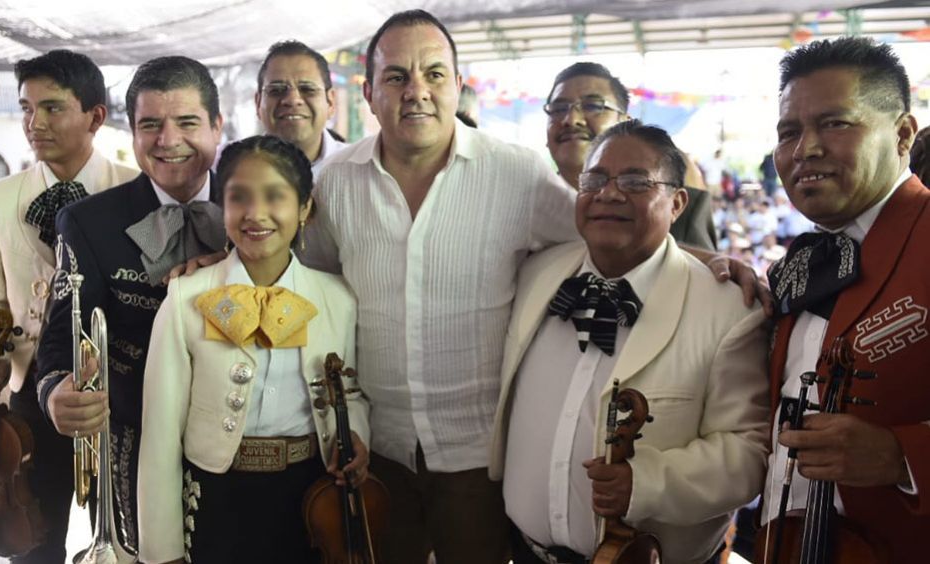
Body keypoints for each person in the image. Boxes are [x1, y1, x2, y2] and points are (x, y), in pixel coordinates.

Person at [301, 10, 766, 564]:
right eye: (397, 76)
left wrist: (708, 259)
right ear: (369, 92)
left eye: (434, 75)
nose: (416, 92)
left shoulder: (516, 174)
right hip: (378, 452)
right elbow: (313, 283)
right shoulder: (334, 183)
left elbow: (607, 227)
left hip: (479, 460)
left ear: (459, 86)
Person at [490, 121, 769, 564]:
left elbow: (750, 452)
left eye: (637, 182)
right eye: (595, 179)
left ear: (678, 202)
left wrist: (647, 482)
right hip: (525, 553)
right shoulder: (536, 273)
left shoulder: (728, 309)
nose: (609, 194)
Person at [138, 135, 370, 564]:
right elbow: (160, 434)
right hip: (217, 498)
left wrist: (356, 432)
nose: (254, 213)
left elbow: (351, 395)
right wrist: (161, 550)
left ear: (305, 209)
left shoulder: (337, 299)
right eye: (238, 197)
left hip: (310, 497)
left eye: (275, 196)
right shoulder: (186, 298)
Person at [35, 55, 226, 555]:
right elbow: (58, 341)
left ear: (217, 126)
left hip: (244, 442)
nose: (168, 139)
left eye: (187, 122)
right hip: (136, 448)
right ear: (133, 133)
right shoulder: (87, 222)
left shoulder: (259, 202)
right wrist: (56, 392)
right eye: (150, 125)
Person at [0, 49, 138, 563]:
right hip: (28, 398)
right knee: (34, 544)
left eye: (53, 108)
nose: (33, 123)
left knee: (131, 532)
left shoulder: (135, 189)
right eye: (25, 108)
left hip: (119, 396)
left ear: (95, 117)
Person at [761, 37, 929, 563]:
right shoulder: (802, 258)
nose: (805, 148)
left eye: (835, 123)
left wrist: (903, 457)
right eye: (790, 131)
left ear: (902, 134)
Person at [544, 62, 717, 250]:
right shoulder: (533, 198)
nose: (571, 120)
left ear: (625, 122)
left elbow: (704, 267)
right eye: (559, 108)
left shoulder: (673, 175)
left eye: (593, 106)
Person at [255, 40, 345, 175]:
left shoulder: (360, 169)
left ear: (331, 102)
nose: (292, 100)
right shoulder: (230, 168)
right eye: (276, 90)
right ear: (258, 103)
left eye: (307, 89)